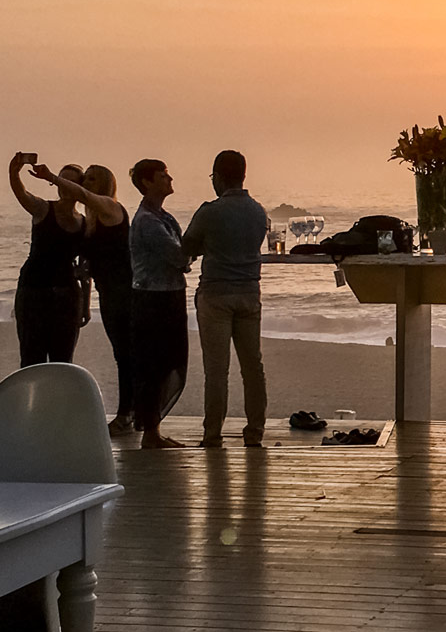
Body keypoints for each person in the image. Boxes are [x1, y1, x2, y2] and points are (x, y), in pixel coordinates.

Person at [31, 163, 135, 435]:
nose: (86, 184)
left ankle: (127, 415)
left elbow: (85, 197)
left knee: (126, 354)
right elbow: (87, 267)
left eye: (92, 179)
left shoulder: (111, 208)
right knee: (122, 353)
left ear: (104, 184)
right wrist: (85, 301)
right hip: (108, 293)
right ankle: (132, 413)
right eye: (85, 179)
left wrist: (52, 178)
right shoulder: (92, 222)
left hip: (125, 293)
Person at [181, 150, 269, 448]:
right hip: (249, 293)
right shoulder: (259, 212)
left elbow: (187, 247)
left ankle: (212, 433)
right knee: (252, 366)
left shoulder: (210, 211)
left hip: (216, 294)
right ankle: (255, 430)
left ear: (218, 177)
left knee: (217, 370)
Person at [129, 159, 188, 449]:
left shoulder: (163, 217)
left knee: (169, 363)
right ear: (147, 182)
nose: (169, 178)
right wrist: (188, 254)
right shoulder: (148, 221)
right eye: (163, 175)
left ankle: (153, 429)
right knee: (155, 364)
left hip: (169, 294)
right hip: (154, 298)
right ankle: (151, 431)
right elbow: (178, 256)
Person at [8, 153, 86, 367]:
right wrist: (14, 173)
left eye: (70, 181)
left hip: (67, 297)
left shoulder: (84, 223)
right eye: (59, 179)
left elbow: (84, 269)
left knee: (63, 360)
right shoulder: (43, 209)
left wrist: (86, 305)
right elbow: (22, 193)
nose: (63, 185)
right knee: (32, 358)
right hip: (33, 292)